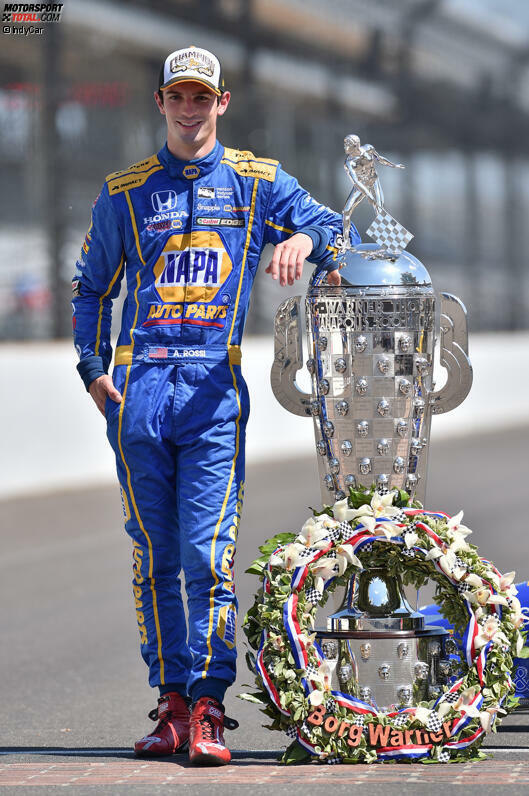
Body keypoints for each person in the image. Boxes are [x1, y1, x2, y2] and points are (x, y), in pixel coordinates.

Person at [72, 45, 359, 766]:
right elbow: (89, 289)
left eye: (203, 97)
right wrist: (92, 371)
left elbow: (336, 229)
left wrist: (299, 235)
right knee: (154, 558)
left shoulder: (259, 182)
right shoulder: (126, 191)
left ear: (222, 103)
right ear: (161, 103)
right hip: (139, 395)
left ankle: (207, 706)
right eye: (179, 96)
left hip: (211, 394)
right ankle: (170, 704)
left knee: (207, 555)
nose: (190, 109)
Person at [341, 133, 403, 247]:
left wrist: (393, 165)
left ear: (355, 145)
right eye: (345, 144)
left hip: (373, 182)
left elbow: (379, 159)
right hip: (360, 187)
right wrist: (368, 195)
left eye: (347, 144)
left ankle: (393, 243)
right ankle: (345, 243)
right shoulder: (349, 163)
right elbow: (356, 182)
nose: (345, 147)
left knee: (379, 209)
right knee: (346, 212)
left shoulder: (368, 148)